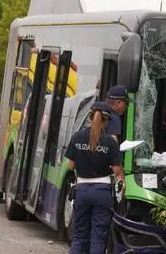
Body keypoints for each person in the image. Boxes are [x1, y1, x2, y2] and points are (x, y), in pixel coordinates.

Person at [65, 101, 124, 254]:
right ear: (106, 120)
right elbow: (117, 170)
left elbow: (70, 166)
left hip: (82, 191)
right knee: (98, 238)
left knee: (79, 237)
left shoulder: (77, 137)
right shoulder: (110, 142)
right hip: (102, 192)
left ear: (91, 117)